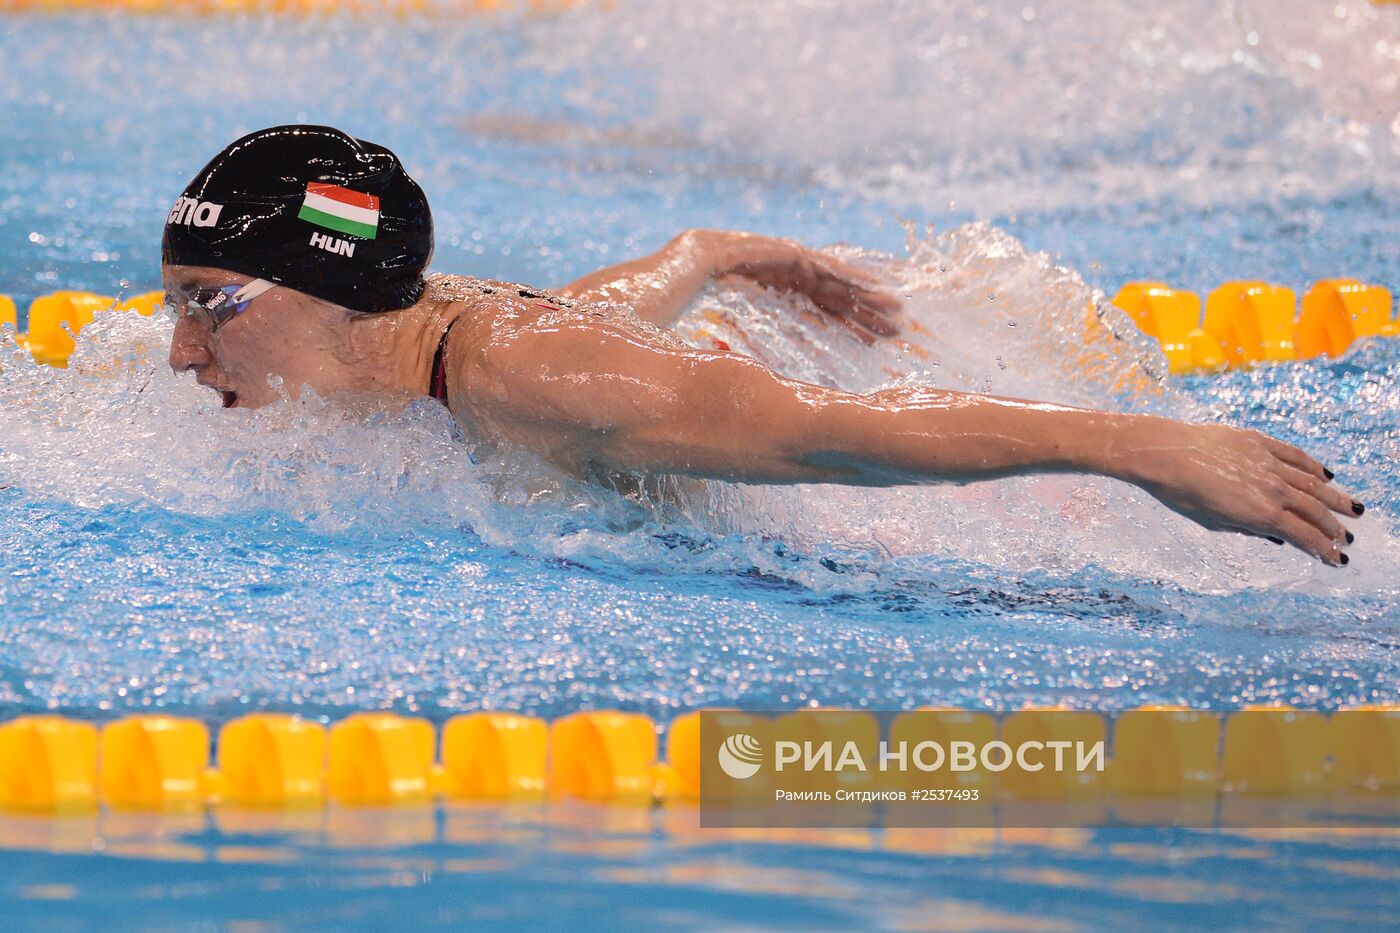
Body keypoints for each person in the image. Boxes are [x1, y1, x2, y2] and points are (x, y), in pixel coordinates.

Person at [163, 125, 1362, 566]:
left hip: (921, 532)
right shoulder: (432, 338)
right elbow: (588, 336)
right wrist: (709, 252)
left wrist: (1141, 447)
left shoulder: (520, 372)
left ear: (332, 293)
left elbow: (830, 433)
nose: (180, 354)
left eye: (210, 303)